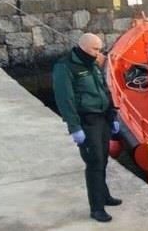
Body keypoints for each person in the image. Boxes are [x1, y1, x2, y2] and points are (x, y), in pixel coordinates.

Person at [52, 33, 121, 223]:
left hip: (102, 119)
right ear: (83, 47)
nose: (99, 53)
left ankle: (104, 194)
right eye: (95, 49)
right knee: (94, 163)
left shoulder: (92, 64)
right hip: (87, 121)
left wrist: (112, 113)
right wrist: (74, 126)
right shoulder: (65, 67)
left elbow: (103, 89)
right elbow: (65, 99)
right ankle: (96, 207)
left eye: (100, 49)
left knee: (104, 159)